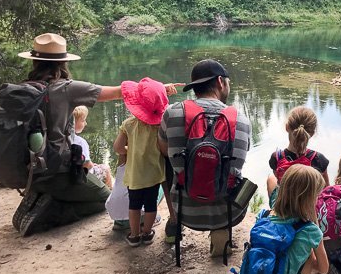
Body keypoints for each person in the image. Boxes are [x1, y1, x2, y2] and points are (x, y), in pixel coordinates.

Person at [12, 33, 179, 236]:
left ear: (35, 61)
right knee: (103, 198)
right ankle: (52, 208)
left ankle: (43, 193)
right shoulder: (66, 88)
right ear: (63, 63)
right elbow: (121, 91)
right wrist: (158, 89)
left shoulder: (24, 88)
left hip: (29, 168)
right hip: (58, 170)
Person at [158, 59, 251, 257]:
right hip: (228, 213)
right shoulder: (241, 119)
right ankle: (221, 240)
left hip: (184, 209)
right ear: (220, 82)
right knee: (233, 166)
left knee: (167, 157)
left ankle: (174, 224)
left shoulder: (171, 113)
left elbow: (164, 149)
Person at [226, 164, 329, 274]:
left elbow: (271, 179)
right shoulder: (311, 231)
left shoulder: (263, 216)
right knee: (308, 254)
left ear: (283, 189)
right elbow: (324, 269)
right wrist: (308, 256)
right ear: (311, 198)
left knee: (257, 252)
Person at [113, 77, 168, 246]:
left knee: (134, 206)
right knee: (151, 205)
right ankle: (147, 233)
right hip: (153, 175)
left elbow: (118, 147)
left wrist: (130, 151)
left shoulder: (128, 124)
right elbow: (162, 148)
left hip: (134, 175)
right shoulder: (159, 127)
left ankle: (134, 235)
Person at [266, 106, 329, 208]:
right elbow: (326, 190)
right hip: (310, 209)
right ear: (312, 133)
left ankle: (275, 210)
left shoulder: (276, 158)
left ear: (287, 127)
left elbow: (279, 183)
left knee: (271, 178)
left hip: (285, 207)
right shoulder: (318, 159)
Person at [72, 106, 112, 188]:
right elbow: (87, 164)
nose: (85, 123)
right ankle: (109, 191)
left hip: (70, 172)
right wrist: (92, 165)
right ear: (73, 123)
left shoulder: (63, 138)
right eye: (83, 120)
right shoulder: (80, 141)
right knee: (106, 168)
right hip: (83, 175)